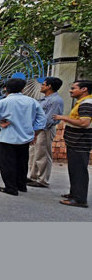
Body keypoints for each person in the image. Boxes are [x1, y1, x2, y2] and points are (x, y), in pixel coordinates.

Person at [0, 78, 46, 196]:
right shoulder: (32, 101)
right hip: (25, 137)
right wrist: (35, 132)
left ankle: (11, 187)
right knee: (22, 162)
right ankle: (21, 185)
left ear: (6, 88)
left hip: (8, 137)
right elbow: (42, 119)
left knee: (7, 163)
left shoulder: (4, 101)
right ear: (23, 89)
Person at [52, 80, 92, 208]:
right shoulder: (82, 103)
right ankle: (74, 193)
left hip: (80, 142)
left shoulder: (86, 104)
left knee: (79, 170)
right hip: (76, 141)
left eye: (73, 88)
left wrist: (62, 117)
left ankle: (79, 199)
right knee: (74, 169)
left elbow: (84, 123)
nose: (70, 90)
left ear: (84, 89)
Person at [27, 77, 64, 188]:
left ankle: (42, 179)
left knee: (43, 154)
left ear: (49, 86)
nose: (41, 86)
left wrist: (37, 131)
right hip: (38, 130)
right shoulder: (44, 99)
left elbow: (49, 120)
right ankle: (33, 176)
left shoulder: (55, 100)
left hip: (45, 130)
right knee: (34, 153)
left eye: (43, 84)